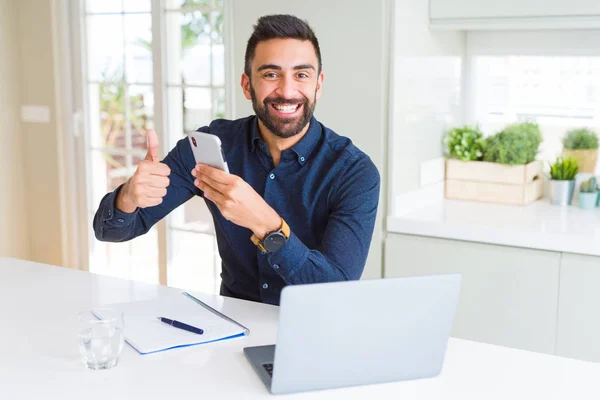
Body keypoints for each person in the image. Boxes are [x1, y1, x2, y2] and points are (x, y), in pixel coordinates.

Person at [93, 14, 380, 305]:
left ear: (318, 84)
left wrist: (268, 226)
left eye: (301, 75)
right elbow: (111, 231)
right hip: (231, 326)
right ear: (247, 85)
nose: (287, 90)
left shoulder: (355, 173)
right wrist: (129, 196)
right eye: (271, 74)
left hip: (314, 329)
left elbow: (336, 290)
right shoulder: (208, 147)